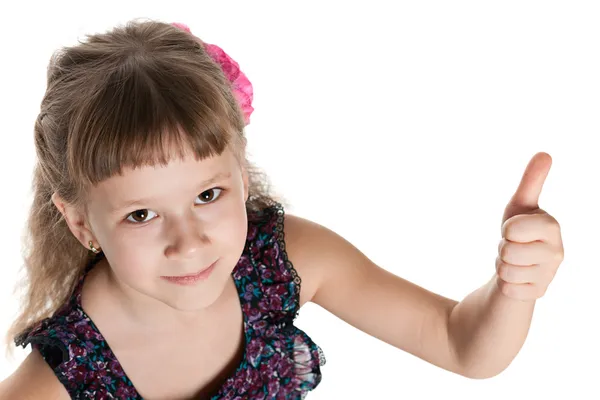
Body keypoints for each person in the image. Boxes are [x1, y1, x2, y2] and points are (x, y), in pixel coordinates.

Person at [0, 19, 564, 400]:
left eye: (207, 195)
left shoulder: (283, 259)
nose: (189, 241)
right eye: (141, 215)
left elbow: (463, 346)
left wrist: (514, 288)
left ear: (241, 176)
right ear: (80, 222)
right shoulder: (60, 377)